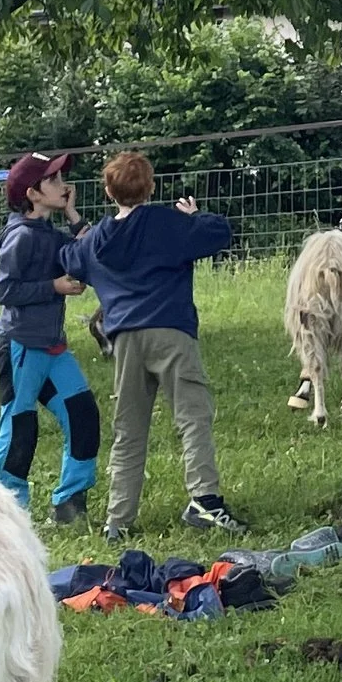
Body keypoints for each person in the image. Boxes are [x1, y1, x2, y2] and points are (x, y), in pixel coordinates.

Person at [62, 150, 243, 536]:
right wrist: (194, 216)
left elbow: (71, 258)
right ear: (152, 187)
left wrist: (77, 224)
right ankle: (205, 501)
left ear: (109, 192)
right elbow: (219, 232)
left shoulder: (96, 242)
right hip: (171, 330)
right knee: (193, 415)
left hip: (124, 338)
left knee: (128, 427)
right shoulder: (169, 223)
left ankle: (118, 520)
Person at [0, 149, 102, 525]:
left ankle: (70, 504)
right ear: (33, 193)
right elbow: (3, 291)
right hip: (21, 345)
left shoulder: (50, 233)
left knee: (83, 415)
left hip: (53, 348)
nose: (62, 185)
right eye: (53, 180)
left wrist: (72, 214)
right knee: (21, 427)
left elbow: (91, 253)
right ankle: (8, 514)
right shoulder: (20, 236)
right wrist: (53, 285)